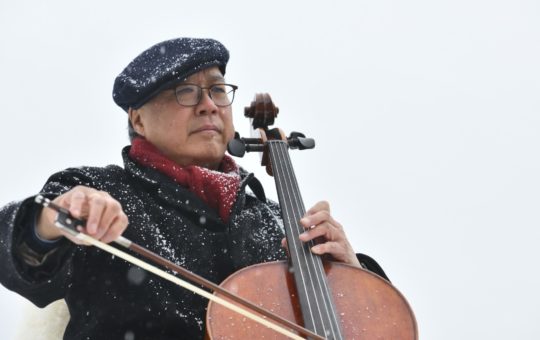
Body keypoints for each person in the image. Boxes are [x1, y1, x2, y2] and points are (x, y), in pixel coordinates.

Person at [0, 37, 388, 340]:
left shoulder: (278, 224)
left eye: (218, 90)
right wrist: (51, 220)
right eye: (184, 92)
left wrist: (354, 277)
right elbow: (18, 255)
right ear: (138, 119)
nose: (208, 105)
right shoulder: (102, 191)